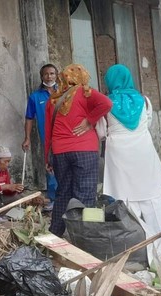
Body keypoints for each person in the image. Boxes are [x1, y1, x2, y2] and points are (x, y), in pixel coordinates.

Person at [102, 64, 161, 264]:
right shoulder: (145, 101)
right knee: (152, 198)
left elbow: (100, 130)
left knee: (126, 201)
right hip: (143, 152)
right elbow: (148, 124)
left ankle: (138, 248)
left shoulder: (106, 103)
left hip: (119, 155)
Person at [44, 64, 112, 237]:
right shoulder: (85, 91)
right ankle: (85, 237)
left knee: (63, 193)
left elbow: (47, 132)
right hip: (85, 150)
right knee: (86, 194)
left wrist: (47, 158)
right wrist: (90, 120)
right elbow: (106, 103)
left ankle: (55, 235)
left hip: (60, 152)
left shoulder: (53, 99)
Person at [23, 64, 59, 210]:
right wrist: (27, 138)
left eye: (52, 73)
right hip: (47, 138)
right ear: (42, 76)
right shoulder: (35, 97)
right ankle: (53, 198)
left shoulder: (64, 93)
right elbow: (29, 118)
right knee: (50, 166)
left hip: (64, 136)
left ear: (57, 75)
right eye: (46, 74)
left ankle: (68, 198)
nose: (49, 77)